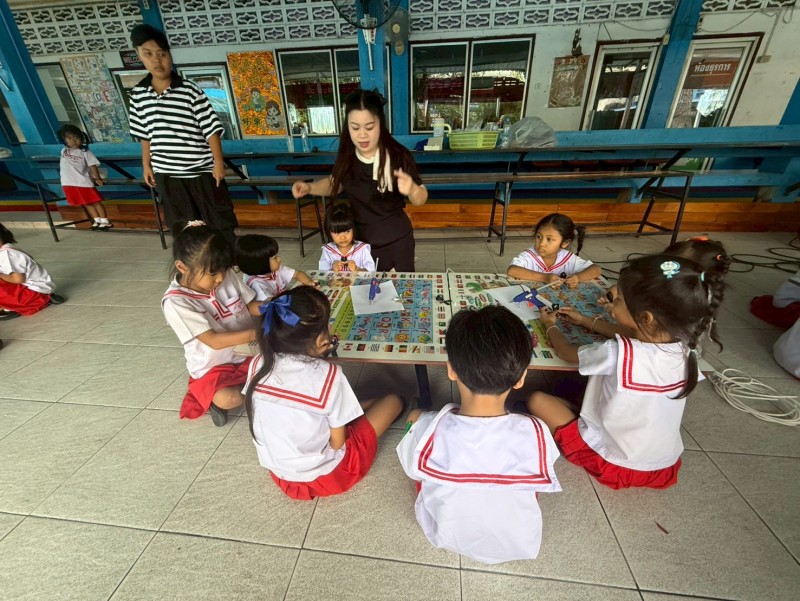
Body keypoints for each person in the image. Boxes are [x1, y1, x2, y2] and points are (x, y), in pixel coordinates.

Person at [527, 254, 725, 490]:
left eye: (619, 299)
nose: (613, 302)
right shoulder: (685, 348)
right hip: (661, 466)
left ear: (645, 317)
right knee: (580, 390)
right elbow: (632, 334)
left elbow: (566, 352)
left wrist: (550, 325)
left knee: (537, 399)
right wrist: (586, 321)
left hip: (614, 463)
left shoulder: (617, 352)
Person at [396, 306, 560, 564]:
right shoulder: (537, 431)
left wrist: (417, 420)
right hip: (520, 543)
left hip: (445, 534)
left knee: (416, 418)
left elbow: (412, 470)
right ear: (521, 378)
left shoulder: (427, 429)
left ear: (451, 370)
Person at [244, 286, 404, 500]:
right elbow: (338, 443)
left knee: (335, 407)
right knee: (394, 401)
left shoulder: (258, 364)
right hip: (329, 475)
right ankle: (352, 410)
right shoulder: (328, 374)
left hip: (283, 477)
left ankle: (347, 410)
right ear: (321, 340)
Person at [292, 89, 428, 272]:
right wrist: (309, 188)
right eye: (355, 128)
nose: (362, 134)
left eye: (369, 127)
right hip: (359, 245)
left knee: (399, 288)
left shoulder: (398, 155)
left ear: (380, 124)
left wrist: (412, 189)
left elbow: (421, 198)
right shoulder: (347, 154)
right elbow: (335, 183)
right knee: (363, 287)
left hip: (397, 241)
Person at [128, 24, 238, 246]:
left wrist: (218, 163)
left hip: (202, 171)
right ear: (139, 56)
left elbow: (211, 128)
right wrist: (146, 165)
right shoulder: (138, 95)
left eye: (162, 54)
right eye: (148, 54)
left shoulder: (190, 90)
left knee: (220, 223)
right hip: (167, 174)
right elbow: (144, 134)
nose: (157, 61)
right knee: (184, 227)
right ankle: (196, 264)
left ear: (170, 55)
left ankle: (229, 260)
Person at [161, 221, 262, 426]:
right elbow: (213, 340)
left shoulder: (225, 275)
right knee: (230, 398)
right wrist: (257, 333)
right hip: (214, 367)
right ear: (182, 267)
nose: (220, 278)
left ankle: (254, 384)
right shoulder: (176, 302)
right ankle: (222, 396)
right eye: (213, 273)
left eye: (225, 269)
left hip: (247, 352)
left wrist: (273, 306)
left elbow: (249, 306)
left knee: (290, 359)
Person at [562, 236, 731, 344]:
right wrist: (619, 291)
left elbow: (634, 334)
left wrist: (551, 327)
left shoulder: (660, 327)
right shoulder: (682, 294)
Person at [507, 213, 600, 288]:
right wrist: (545, 277)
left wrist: (578, 278)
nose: (542, 243)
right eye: (539, 237)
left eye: (549, 239)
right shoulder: (529, 255)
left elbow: (596, 269)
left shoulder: (567, 258)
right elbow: (512, 270)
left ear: (565, 243)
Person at [0, 223, 64, 320]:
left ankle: (9, 308)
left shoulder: (8, 254)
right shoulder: (6, 248)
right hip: (35, 290)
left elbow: (18, 279)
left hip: (34, 294)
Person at [57, 124, 112, 231]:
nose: (74, 140)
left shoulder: (85, 152)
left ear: (82, 138)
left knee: (95, 201)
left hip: (83, 182)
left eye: (76, 137)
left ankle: (105, 221)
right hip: (68, 182)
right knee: (86, 203)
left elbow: (92, 165)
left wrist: (97, 178)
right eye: (69, 138)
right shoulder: (64, 151)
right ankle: (97, 220)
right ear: (64, 140)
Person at [235, 234, 317, 302]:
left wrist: (310, 283)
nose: (279, 259)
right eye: (274, 258)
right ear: (261, 264)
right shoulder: (257, 285)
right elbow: (272, 305)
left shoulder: (274, 269)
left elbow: (297, 274)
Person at [319, 204, 376, 272]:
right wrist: (332, 269)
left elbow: (371, 272)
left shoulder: (362, 249)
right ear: (329, 232)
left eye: (347, 231)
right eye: (337, 233)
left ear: (353, 229)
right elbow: (321, 274)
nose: (343, 237)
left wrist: (357, 269)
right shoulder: (327, 251)